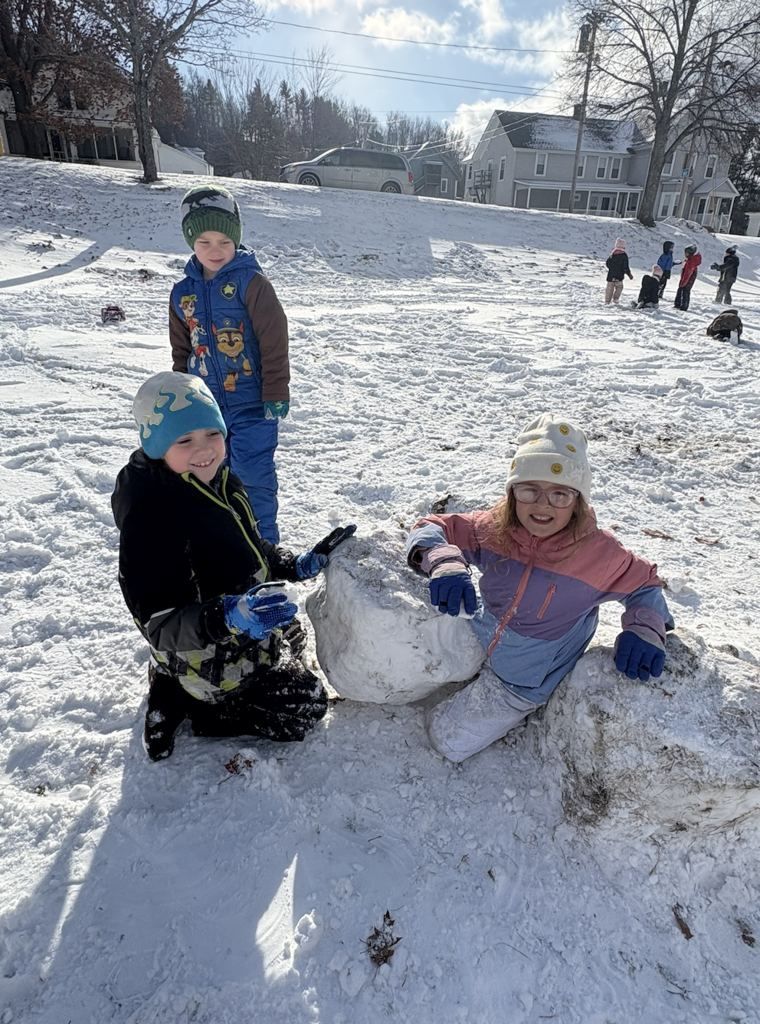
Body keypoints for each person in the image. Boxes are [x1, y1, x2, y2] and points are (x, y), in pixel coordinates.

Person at [112, 371, 355, 762]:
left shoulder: (218, 481)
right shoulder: (153, 518)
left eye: (212, 433)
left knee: (292, 634)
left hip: (230, 623)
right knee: (306, 704)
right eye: (184, 440)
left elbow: (250, 547)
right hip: (202, 641)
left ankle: (173, 681)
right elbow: (159, 622)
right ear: (156, 446)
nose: (204, 449)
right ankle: (199, 708)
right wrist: (228, 616)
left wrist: (294, 565)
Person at [405, 414, 673, 764]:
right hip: (482, 631)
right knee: (408, 664)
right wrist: (444, 562)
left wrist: (645, 629)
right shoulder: (496, 528)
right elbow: (432, 527)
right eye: (529, 489)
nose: (542, 504)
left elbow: (644, 584)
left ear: (578, 500)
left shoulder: (598, 554)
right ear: (512, 492)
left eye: (560, 494)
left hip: (526, 679)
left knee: (444, 740)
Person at [169, 185, 289, 543]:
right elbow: (181, 351)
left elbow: (273, 338)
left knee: (253, 478)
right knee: (210, 479)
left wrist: (275, 390)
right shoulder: (182, 293)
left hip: (252, 403)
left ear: (236, 239)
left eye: (224, 241)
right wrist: (182, 401)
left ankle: (265, 549)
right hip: (206, 410)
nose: (215, 250)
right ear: (191, 242)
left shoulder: (252, 284)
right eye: (204, 241)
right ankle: (226, 550)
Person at [604, 237, 633, 304]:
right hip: (619, 276)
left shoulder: (612, 254)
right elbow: (625, 267)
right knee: (619, 287)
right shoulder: (624, 255)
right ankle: (615, 298)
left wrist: (611, 268)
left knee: (609, 289)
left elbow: (608, 263)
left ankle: (607, 301)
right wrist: (629, 274)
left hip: (611, 275)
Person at [674, 244, 701, 311]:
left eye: (686, 253)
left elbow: (687, 273)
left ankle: (683, 306)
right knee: (684, 291)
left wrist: (683, 283)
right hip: (687, 280)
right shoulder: (690, 259)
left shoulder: (691, 261)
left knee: (685, 292)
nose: (685, 254)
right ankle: (679, 304)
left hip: (687, 280)